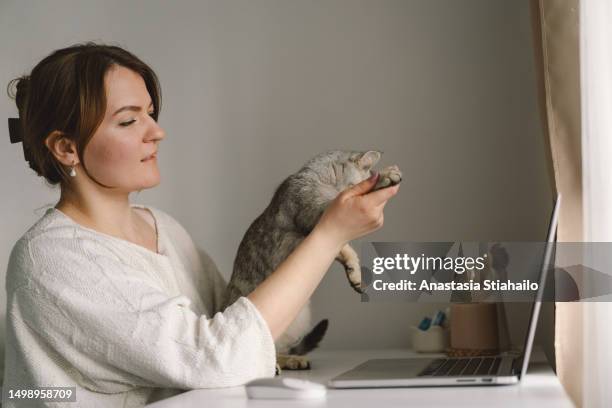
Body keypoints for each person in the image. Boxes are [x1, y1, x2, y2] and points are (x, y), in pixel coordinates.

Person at [3, 43, 399, 407]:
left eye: (151, 114)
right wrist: (329, 234)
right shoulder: (52, 260)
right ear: (66, 148)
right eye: (128, 121)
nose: (156, 132)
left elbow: (238, 328)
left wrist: (314, 226)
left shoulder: (165, 230)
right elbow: (217, 360)